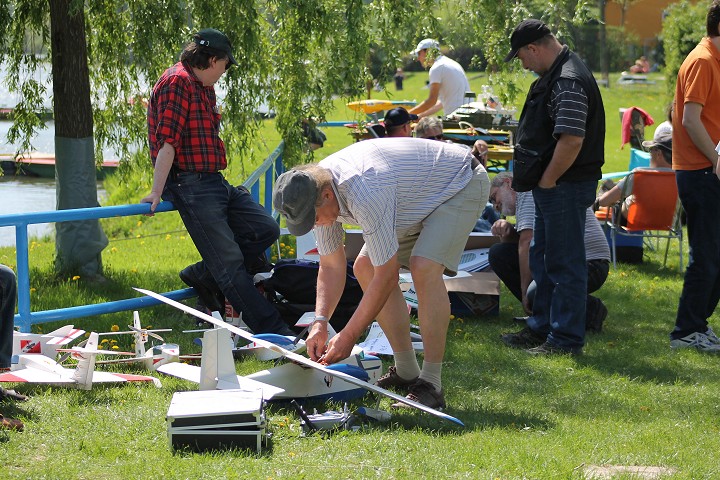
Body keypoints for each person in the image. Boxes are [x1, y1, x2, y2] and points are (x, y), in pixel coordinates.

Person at [272, 138, 490, 408]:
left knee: (424, 267)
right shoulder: (317, 192)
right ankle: (407, 371)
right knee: (364, 267)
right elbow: (330, 265)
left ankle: (431, 383)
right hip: (417, 195)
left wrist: (349, 335)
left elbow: (386, 277)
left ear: (327, 196)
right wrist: (320, 322)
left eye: (313, 219)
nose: (313, 224)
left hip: (460, 182)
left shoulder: (365, 191)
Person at [141, 28, 293, 336]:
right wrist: (157, 191)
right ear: (212, 60)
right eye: (224, 65)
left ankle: (201, 273)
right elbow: (167, 141)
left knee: (266, 228)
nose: (224, 73)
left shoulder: (203, 86)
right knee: (231, 266)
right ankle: (275, 332)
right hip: (189, 184)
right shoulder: (177, 83)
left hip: (213, 180)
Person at [502, 19, 605, 355]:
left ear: (534, 48)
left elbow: (572, 139)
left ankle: (565, 339)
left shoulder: (568, 79)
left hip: (564, 185)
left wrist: (547, 179)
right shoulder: (558, 74)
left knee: (564, 263)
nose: (523, 64)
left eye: (521, 57)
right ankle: (542, 328)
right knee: (544, 258)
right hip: (555, 185)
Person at [488, 173, 610, 334]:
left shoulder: (526, 192)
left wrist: (525, 294)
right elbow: (533, 243)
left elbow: (527, 242)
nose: (495, 205)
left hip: (590, 264)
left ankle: (590, 310)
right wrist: (510, 232)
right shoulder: (529, 193)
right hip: (581, 262)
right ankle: (544, 312)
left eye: (494, 197)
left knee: (534, 292)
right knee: (500, 253)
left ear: (508, 183)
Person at [670, 1, 720, 352]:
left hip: (707, 168)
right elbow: (688, 118)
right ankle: (686, 331)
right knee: (706, 255)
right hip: (700, 170)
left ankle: (698, 323)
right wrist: (715, 158)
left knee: (715, 255)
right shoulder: (702, 61)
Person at [595, 133, 673, 223]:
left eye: (651, 150)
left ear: (659, 154)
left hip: (632, 218)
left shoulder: (640, 175)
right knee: (613, 187)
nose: (649, 154)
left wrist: (596, 203)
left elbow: (604, 201)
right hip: (666, 221)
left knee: (605, 189)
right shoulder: (679, 177)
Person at [408, 39, 471, 119]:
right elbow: (440, 103)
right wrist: (419, 116)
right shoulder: (450, 63)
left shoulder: (437, 68)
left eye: (419, 53)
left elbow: (431, 101)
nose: (418, 58)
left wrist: (406, 115)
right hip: (467, 115)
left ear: (427, 51)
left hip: (456, 118)